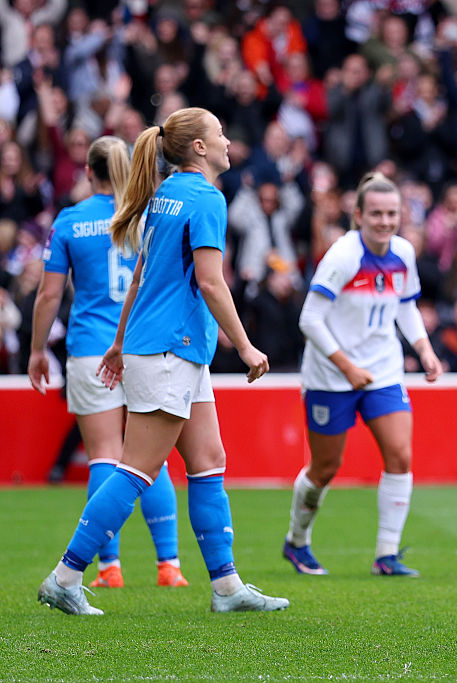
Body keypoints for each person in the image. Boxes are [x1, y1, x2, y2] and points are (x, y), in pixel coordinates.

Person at [36, 107, 289, 615]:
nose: (228, 142)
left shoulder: (163, 196)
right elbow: (212, 282)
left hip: (167, 347)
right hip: (170, 349)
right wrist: (245, 346)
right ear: (199, 147)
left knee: (208, 460)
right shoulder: (205, 198)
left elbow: (141, 278)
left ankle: (226, 586)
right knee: (136, 469)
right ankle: (64, 576)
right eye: (220, 134)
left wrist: (117, 341)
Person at [28, 135, 188, 590]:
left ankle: (108, 567)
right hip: (144, 345)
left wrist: (38, 350)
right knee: (147, 459)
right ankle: (169, 565)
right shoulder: (145, 215)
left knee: (106, 455)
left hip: (90, 349)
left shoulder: (72, 221)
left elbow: (49, 294)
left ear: (87, 172)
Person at [282, 172, 442, 577]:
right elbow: (310, 319)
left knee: (400, 455)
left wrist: (424, 350)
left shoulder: (403, 253)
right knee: (325, 467)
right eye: (376, 214)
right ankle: (297, 542)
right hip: (332, 376)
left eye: (392, 214)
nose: (385, 222)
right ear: (358, 215)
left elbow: (405, 305)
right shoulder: (342, 257)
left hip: (383, 370)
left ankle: (386, 555)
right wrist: (348, 368)